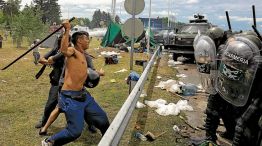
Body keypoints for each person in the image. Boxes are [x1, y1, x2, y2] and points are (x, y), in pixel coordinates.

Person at [42, 20, 109, 146]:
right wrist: (67, 30)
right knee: (74, 132)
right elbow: (63, 50)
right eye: (86, 39)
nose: (89, 41)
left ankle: (109, 140)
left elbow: (84, 72)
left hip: (83, 95)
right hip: (70, 97)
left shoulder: (84, 55)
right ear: (79, 41)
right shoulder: (73, 51)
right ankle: (49, 141)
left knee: (103, 120)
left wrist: (98, 74)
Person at [192, 27, 244, 145]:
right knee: (228, 112)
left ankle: (210, 138)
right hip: (229, 86)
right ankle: (230, 133)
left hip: (223, 84)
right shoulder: (230, 46)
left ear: (218, 39)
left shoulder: (225, 48)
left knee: (212, 111)